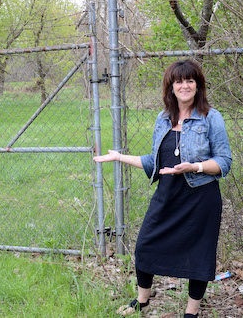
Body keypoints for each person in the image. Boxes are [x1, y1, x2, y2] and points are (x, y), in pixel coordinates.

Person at [94, 59, 232, 317]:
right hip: (167, 196)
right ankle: (143, 300)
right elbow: (157, 162)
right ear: (170, 87)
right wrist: (119, 157)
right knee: (144, 246)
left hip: (200, 198)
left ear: (198, 85)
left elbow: (224, 162)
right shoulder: (163, 118)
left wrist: (195, 167)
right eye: (178, 81)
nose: (184, 85)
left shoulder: (211, 118)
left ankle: (192, 311)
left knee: (198, 255)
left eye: (190, 80)